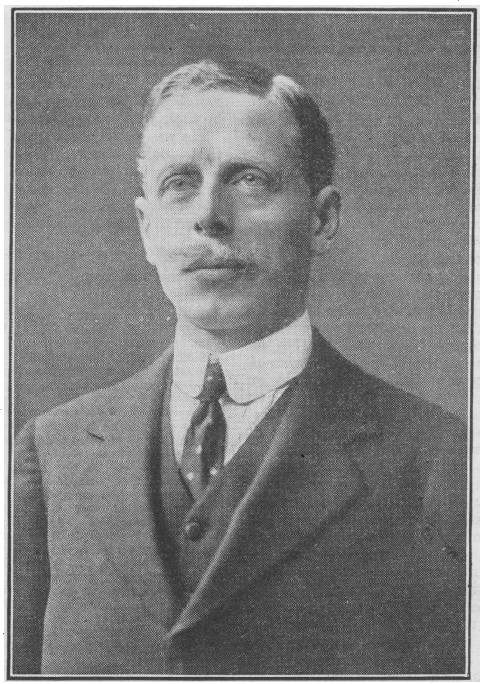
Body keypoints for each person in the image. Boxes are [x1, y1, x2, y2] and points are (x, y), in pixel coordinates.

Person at [13, 59, 467, 676]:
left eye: (248, 181)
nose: (209, 217)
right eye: (179, 183)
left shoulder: (440, 462)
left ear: (322, 219)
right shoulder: (54, 451)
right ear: (147, 230)